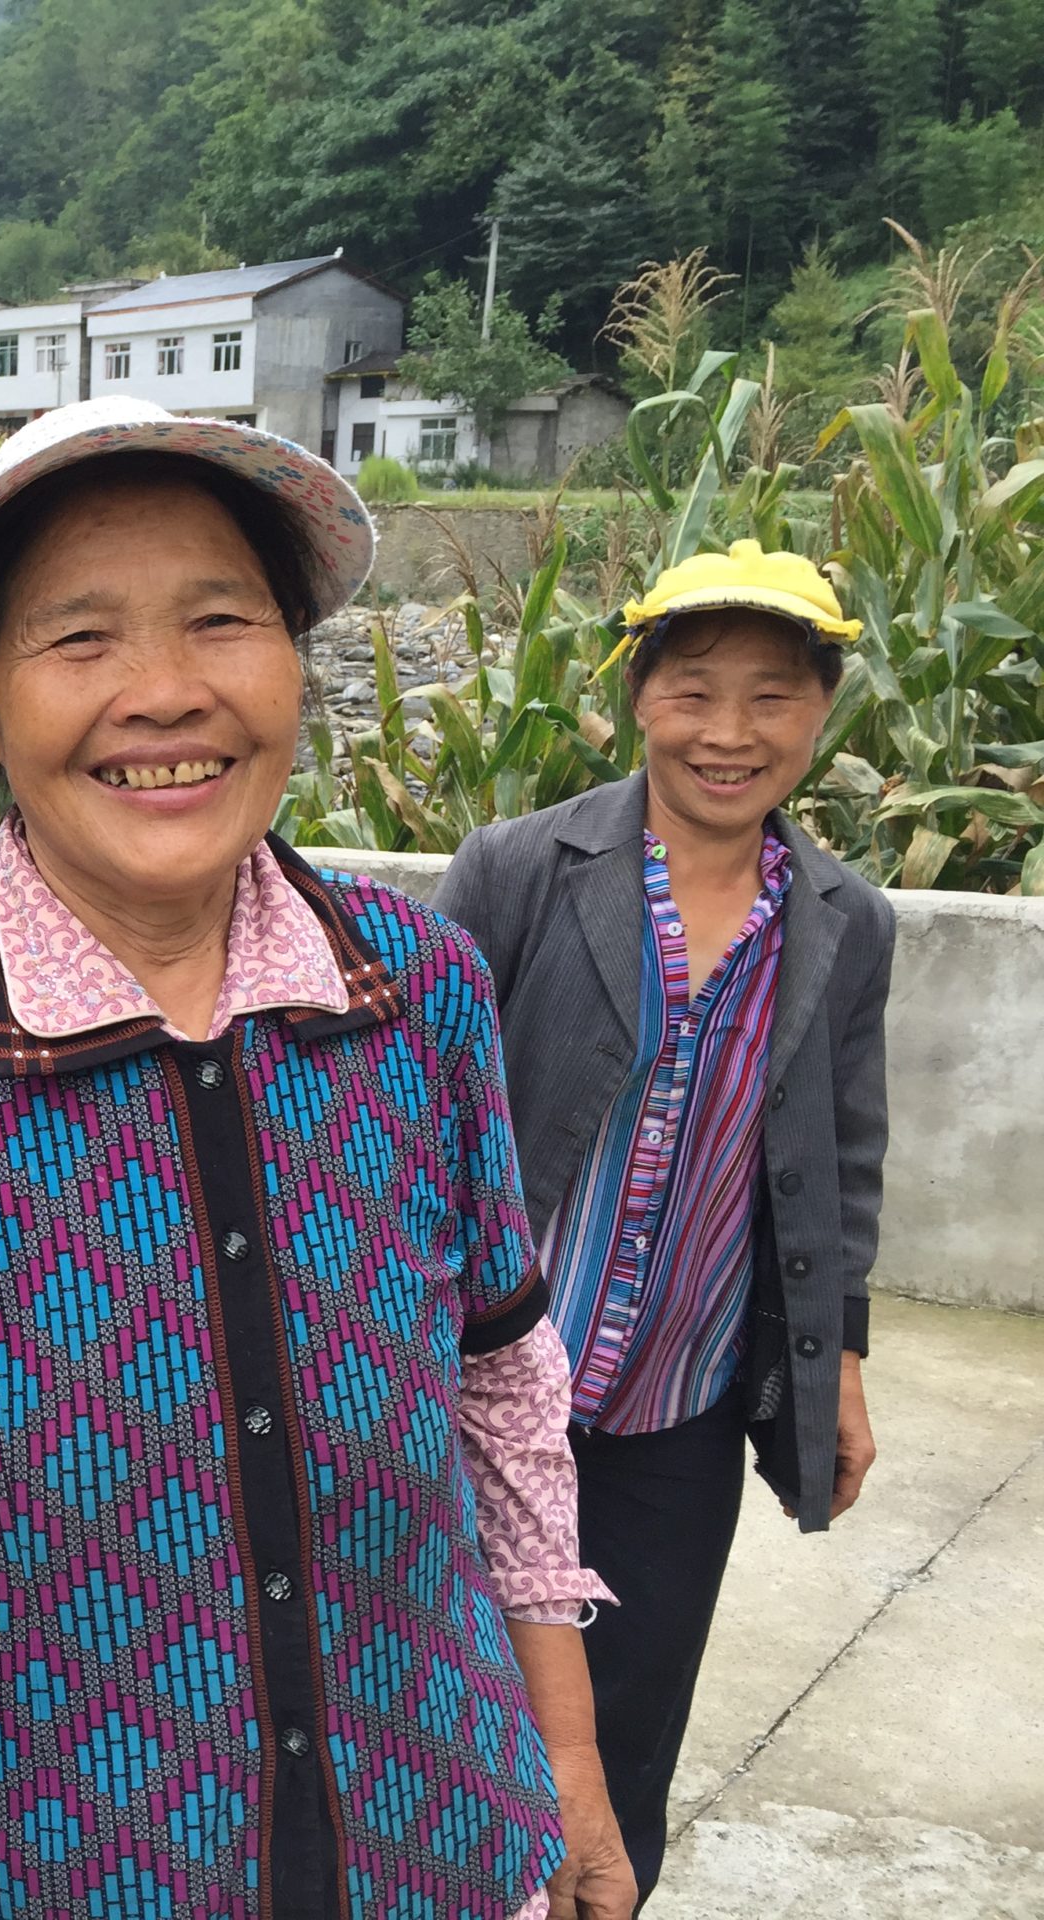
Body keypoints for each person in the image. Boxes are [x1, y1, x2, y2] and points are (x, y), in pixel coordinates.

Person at [0, 397, 633, 1920]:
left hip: (440, 1847)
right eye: (78, 639)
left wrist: (564, 1751)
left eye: (222, 620)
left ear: (294, 661)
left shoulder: (418, 992)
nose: (166, 695)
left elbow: (499, 1385)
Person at [435, 541, 892, 1904]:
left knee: (624, 1746)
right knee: (435, 1710)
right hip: (477, 1393)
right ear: (638, 699)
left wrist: (844, 1354)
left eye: (771, 696)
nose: (729, 733)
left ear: (820, 713)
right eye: (694, 690)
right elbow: (404, 1106)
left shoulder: (842, 924)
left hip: (671, 1415)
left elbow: (844, 1151)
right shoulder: (518, 872)